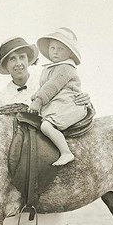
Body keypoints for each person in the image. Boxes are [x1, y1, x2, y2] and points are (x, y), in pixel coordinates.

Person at [0, 37, 90, 225]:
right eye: (11, 60)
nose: (18, 64)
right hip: (18, 165)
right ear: (5, 67)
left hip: (43, 161)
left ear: (30, 60)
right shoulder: (1, 95)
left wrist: (87, 103)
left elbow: (69, 97)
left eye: (22, 57)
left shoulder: (48, 77)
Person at [29, 27, 89, 166]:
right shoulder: (50, 67)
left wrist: (38, 101)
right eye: (52, 48)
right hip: (57, 102)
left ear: (69, 53)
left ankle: (66, 152)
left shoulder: (65, 67)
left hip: (67, 103)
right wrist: (35, 97)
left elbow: (52, 86)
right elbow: (44, 87)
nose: (55, 51)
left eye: (60, 49)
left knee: (46, 126)